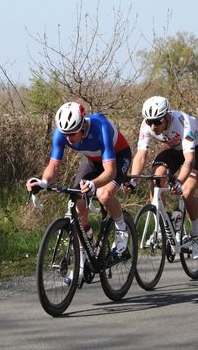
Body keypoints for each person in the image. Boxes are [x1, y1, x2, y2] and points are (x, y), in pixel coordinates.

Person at [26, 101, 132, 285]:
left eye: (72, 133)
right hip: (91, 160)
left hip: (118, 156)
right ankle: (83, 261)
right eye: (65, 134)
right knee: (77, 203)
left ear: (83, 126)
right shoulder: (62, 132)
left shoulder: (101, 127)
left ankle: (122, 230)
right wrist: (43, 182)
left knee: (104, 195)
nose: (68, 138)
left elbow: (110, 172)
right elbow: (54, 165)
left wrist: (93, 184)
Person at [126, 96, 198, 259]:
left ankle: (197, 234)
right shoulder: (146, 125)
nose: (153, 126)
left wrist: (179, 181)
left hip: (193, 151)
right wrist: (133, 180)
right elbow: (141, 155)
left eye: (157, 122)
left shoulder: (184, 123)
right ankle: (163, 226)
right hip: (172, 149)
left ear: (167, 116)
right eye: (150, 122)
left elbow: (189, 160)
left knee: (186, 192)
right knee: (156, 177)